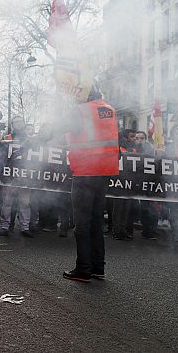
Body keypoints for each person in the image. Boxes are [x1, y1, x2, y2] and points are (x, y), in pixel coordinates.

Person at [61, 86, 119, 283]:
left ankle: (83, 269)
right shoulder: (109, 109)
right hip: (104, 171)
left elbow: (66, 128)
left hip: (86, 171)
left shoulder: (81, 110)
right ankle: (98, 268)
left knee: (82, 223)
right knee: (96, 221)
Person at [0, 115, 34, 238]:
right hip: (10, 175)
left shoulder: (30, 139)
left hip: (25, 174)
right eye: (15, 122)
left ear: (23, 123)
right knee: (7, 202)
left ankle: (25, 227)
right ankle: (5, 226)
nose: (18, 124)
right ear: (12, 125)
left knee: (25, 202)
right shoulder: (6, 138)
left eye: (20, 122)